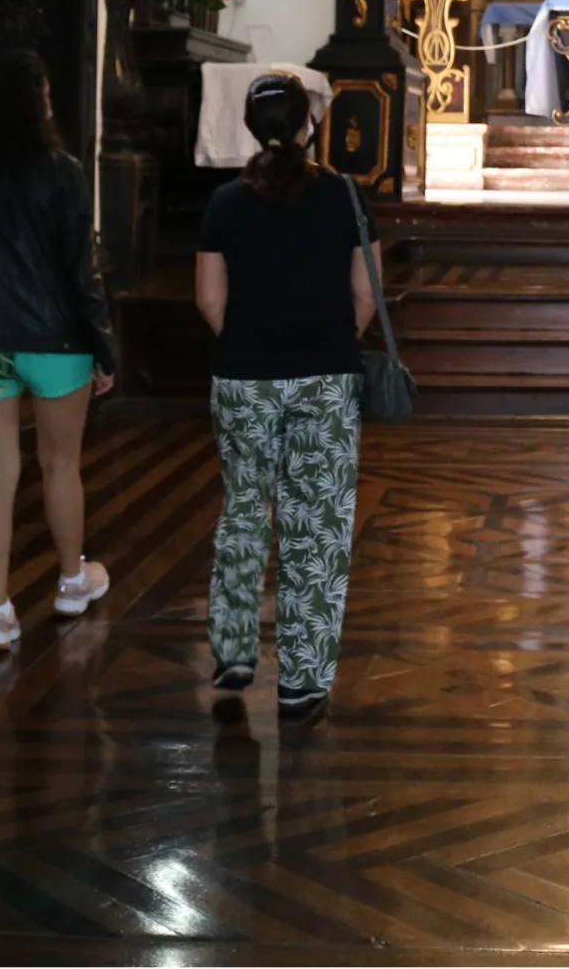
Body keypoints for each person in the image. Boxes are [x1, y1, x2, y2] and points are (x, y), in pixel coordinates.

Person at [192, 74, 376, 718]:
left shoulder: (223, 204)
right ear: (309, 125)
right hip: (326, 375)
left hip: (242, 377)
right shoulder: (347, 197)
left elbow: (209, 300)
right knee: (315, 527)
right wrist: (324, 342)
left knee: (244, 510)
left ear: (250, 127)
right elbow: (365, 296)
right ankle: (302, 680)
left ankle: (235, 652)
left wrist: (251, 341)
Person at [0, 48, 119, 652]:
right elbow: (78, 268)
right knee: (60, 465)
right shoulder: (62, 172)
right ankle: (70, 582)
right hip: (56, 339)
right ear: (41, 104)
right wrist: (103, 344)